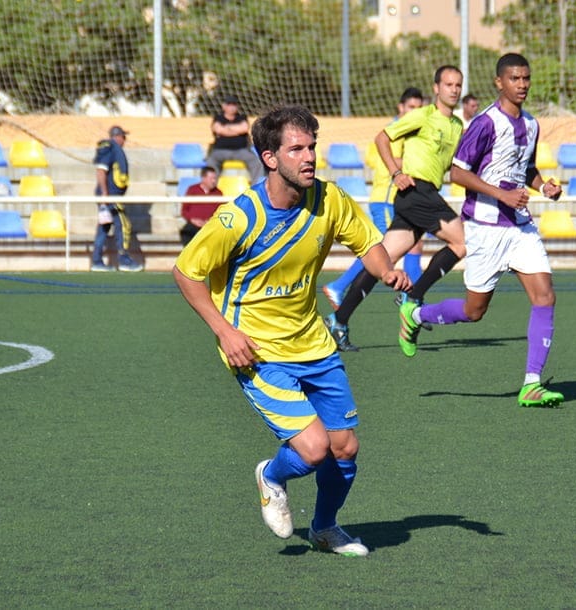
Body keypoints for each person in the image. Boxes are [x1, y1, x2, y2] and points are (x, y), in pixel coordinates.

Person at [172, 104, 410, 557]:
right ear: (269, 157)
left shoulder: (330, 199)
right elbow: (186, 273)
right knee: (314, 448)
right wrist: (224, 332)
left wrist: (388, 273)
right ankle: (271, 475)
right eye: (296, 148)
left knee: (345, 447)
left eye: (312, 147)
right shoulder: (238, 217)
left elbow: (368, 244)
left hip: (314, 345)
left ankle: (324, 529)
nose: (308, 157)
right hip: (259, 352)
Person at [396, 53, 565, 409]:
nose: (522, 85)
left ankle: (531, 383)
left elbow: (526, 167)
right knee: (475, 312)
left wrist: (542, 186)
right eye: (515, 79)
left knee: (545, 297)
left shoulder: (532, 124)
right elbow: (457, 173)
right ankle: (414, 314)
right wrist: (501, 193)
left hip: (519, 227)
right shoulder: (485, 122)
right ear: (499, 82)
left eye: (526, 78)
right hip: (485, 228)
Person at [323, 65, 466, 352]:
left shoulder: (457, 126)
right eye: (448, 84)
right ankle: (413, 298)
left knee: (381, 262)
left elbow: (450, 165)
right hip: (416, 192)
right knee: (462, 243)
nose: (453, 89)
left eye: (458, 85)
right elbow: (382, 138)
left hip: (427, 193)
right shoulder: (421, 115)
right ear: (436, 88)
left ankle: (338, 320)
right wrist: (395, 172)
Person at [321, 87, 425, 309]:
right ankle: (339, 287)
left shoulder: (405, 131)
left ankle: (413, 297)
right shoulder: (395, 131)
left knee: (413, 244)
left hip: (395, 200)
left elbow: (371, 157)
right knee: (381, 252)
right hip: (386, 200)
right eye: (411, 107)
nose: (414, 112)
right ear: (401, 107)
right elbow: (393, 161)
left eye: (418, 108)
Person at [91, 125, 143, 272]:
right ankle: (124, 259)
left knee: (104, 227)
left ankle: (96, 260)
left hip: (111, 195)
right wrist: (105, 195)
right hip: (110, 196)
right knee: (123, 224)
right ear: (118, 136)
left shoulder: (114, 149)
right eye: (123, 136)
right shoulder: (110, 148)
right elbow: (101, 170)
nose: (124, 140)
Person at [205, 94, 264, 184]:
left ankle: (256, 187)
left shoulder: (242, 117)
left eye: (234, 104)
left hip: (241, 151)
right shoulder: (218, 118)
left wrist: (225, 129)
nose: (232, 107)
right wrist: (236, 130)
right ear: (224, 106)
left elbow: (244, 128)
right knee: (211, 162)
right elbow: (217, 129)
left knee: (257, 162)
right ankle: (212, 189)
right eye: (229, 104)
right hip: (220, 151)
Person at [179, 165, 223, 246]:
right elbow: (184, 211)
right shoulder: (192, 190)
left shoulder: (218, 193)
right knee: (186, 232)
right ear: (203, 178)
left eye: (215, 178)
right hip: (194, 225)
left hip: (210, 225)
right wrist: (193, 220)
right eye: (211, 178)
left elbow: (221, 212)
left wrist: (209, 221)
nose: (214, 181)